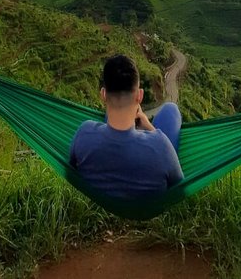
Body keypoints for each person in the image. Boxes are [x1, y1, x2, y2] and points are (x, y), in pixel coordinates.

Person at [69, 54, 183, 199]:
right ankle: (136, 124)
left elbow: (71, 169)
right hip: (146, 208)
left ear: (103, 95)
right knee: (170, 110)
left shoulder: (84, 133)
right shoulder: (161, 145)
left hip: (102, 197)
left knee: (109, 118)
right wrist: (150, 128)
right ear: (140, 96)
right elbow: (178, 185)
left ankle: (127, 121)